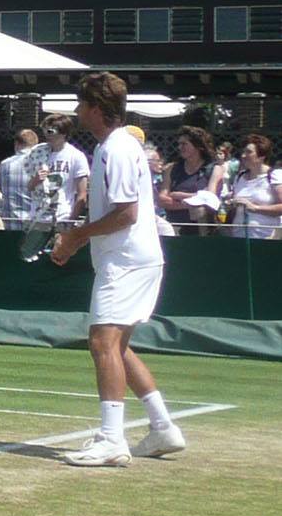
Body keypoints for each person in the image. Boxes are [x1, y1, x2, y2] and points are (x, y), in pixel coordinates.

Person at [48, 72, 187, 467]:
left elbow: (126, 214)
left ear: (95, 108)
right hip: (129, 258)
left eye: (81, 104)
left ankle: (111, 439)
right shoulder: (115, 146)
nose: (77, 111)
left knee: (101, 343)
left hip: (126, 262)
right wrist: (80, 237)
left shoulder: (117, 149)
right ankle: (162, 427)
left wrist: (76, 237)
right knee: (117, 347)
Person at [225, 133, 280, 240]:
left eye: (249, 152)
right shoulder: (239, 177)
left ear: (261, 156)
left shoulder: (274, 176)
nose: (243, 155)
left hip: (266, 238)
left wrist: (255, 208)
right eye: (243, 152)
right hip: (239, 237)